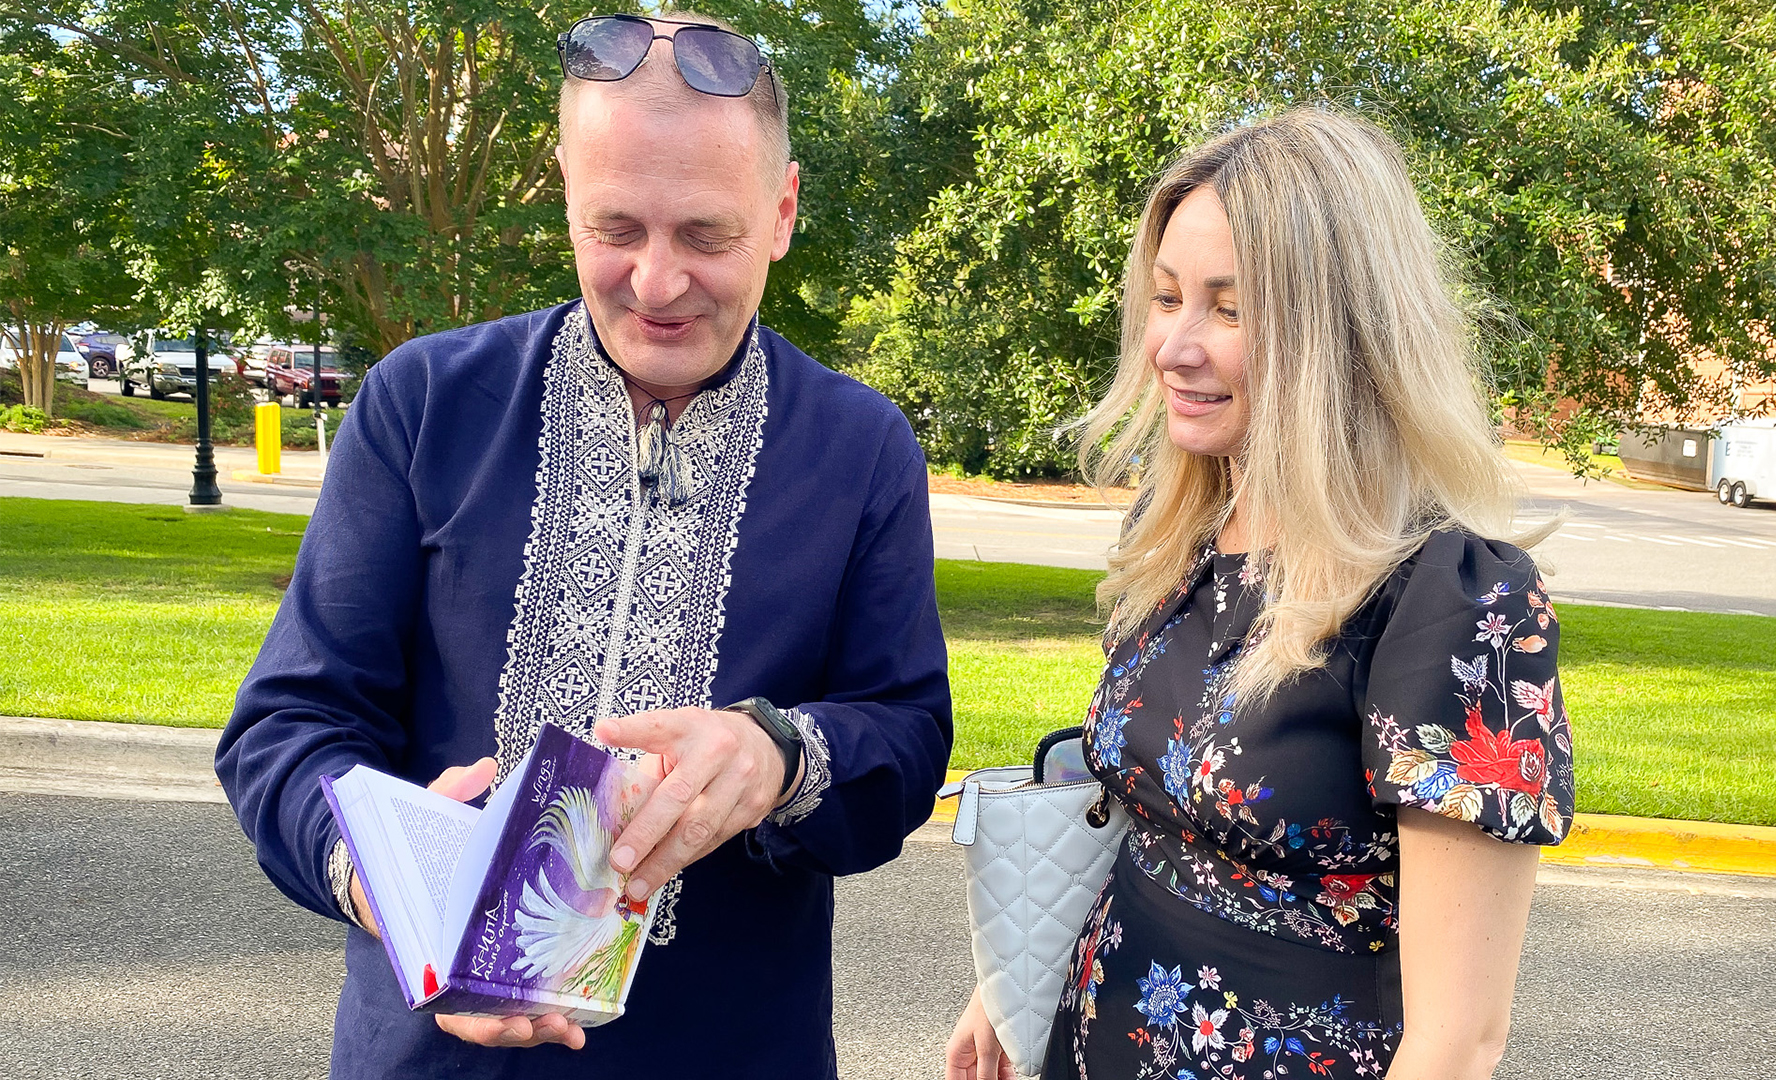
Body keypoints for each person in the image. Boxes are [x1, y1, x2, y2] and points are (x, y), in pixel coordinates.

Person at [216, 12, 952, 1078]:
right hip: (429, 1055)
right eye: (616, 229)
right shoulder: (421, 403)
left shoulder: (863, 448)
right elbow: (287, 726)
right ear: (565, 189)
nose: (656, 283)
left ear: (782, 211)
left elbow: (907, 741)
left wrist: (780, 757)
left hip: (735, 1053)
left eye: (705, 235)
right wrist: (377, 872)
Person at [946, 107, 1574, 1080]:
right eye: (1166, 297)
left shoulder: (1453, 601)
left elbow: (1458, 1042)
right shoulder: (1181, 531)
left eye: (1228, 310)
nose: (1172, 346)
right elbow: (1140, 812)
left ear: (1342, 331)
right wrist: (1015, 973)